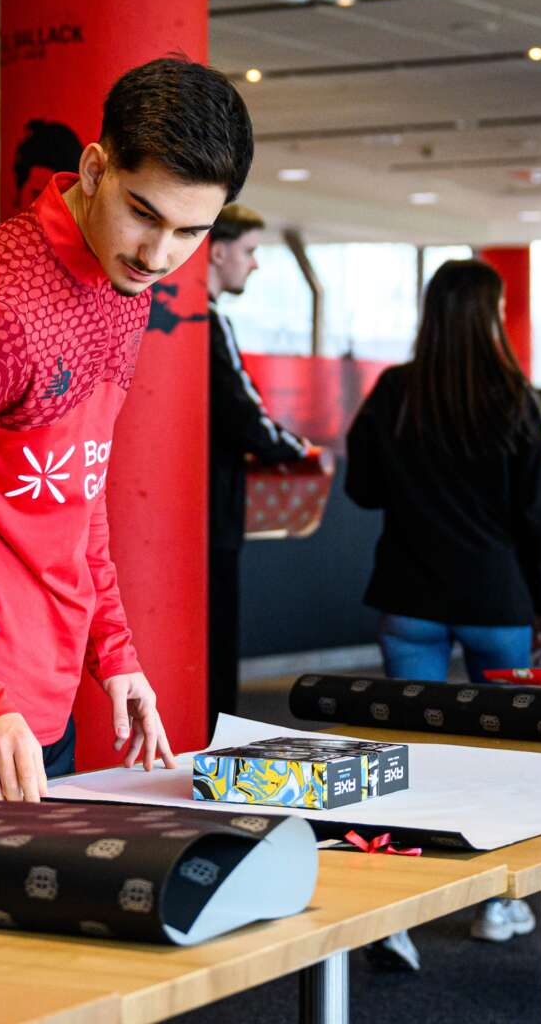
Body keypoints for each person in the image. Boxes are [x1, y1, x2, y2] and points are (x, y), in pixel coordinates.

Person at [0, 57, 254, 800]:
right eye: (144, 213)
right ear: (95, 168)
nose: (159, 255)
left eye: (191, 231)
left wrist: (117, 653)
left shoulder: (123, 284)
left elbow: (78, 491)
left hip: (44, 699)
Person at [345, 259, 541, 969]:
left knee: (405, 756)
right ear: (490, 317)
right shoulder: (514, 398)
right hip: (497, 601)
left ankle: (394, 913)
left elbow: (364, 490)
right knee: (497, 754)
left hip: (410, 598)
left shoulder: (396, 394)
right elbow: (536, 515)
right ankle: (497, 904)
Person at [206, 202, 310, 729]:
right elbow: (244, 414)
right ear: (218, 251)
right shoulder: (207, 322)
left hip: (199, 515)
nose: (254, 265)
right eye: (248, 252)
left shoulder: (192, 321)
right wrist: (297, 449)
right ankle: (210, 745)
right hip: (210, 520)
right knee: (213, 637)